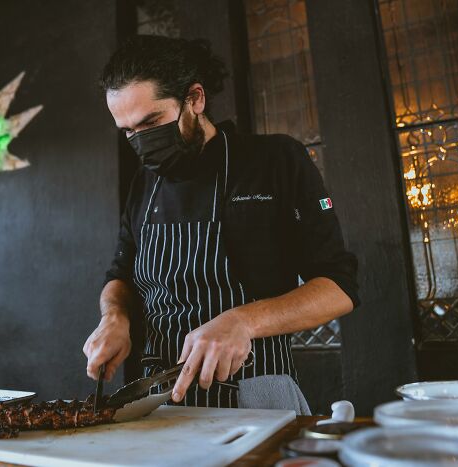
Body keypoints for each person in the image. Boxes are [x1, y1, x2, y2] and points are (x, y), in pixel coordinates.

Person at [82, 35, 359, 412]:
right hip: (160, 405)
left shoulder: (275, 160)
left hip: (258, 395)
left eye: (152, 122)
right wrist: (114, 316)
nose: (142, 142)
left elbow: (338, 288)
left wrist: (244, 321)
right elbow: (121, 275)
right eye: (129, 131)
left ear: (195, 98)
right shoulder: (144, 184)